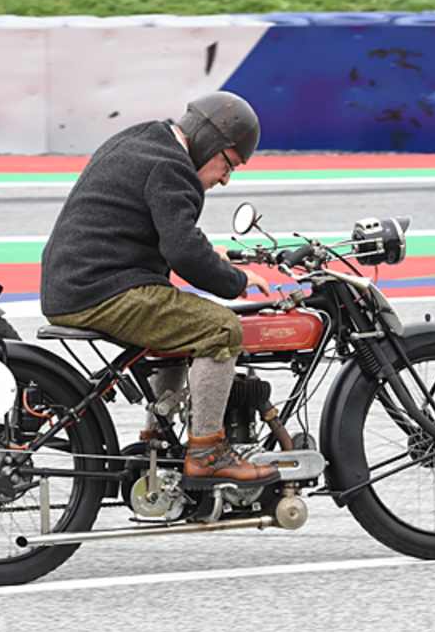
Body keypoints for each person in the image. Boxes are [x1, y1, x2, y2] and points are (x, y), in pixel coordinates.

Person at [40, 91, 279, 487]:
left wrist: (214, 256)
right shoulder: (173, 169)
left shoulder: (143, 139)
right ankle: (207, 453)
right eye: (228, 164)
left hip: (77, 281)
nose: (224, 178)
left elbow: (153, 226)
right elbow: (182, 251)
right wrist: (234, 281)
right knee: (219, 328)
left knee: (177, 324)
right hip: (102, 289)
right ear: (210, 143)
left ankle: (157, 439)